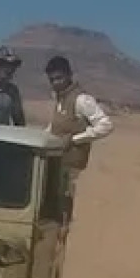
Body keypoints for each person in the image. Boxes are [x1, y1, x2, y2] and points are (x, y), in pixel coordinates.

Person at [43, 54, 115, 196]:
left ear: (69, 75)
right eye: (52, 80)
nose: (56, 83)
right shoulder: (60, 99)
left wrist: (75, 139)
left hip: (71, 165)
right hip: (56, 161)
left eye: (59, 78)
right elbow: (54, 127)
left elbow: (106, 125)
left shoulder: (82, 100)